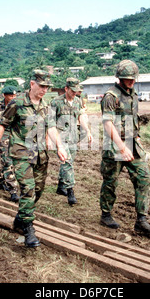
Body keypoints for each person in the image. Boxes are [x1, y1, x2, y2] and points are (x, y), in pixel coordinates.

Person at [0, 70, 68, 248]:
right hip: (21, 153)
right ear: (32, 84)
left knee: (38, 190)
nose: (44, 90)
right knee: (28, 189)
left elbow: (52, 128)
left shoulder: (46, 106)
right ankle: (28, 228)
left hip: (40, 154)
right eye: (41, 86)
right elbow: (1, 126)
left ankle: (20, 217)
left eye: (46, 87)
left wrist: (60, 146)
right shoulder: (17, 103)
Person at [99, 59, 150, 238]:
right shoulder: (111, 96)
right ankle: (106, 214)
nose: (131, 81)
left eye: (133, 78)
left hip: (133, 144)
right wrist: (121, 147)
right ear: (119, 78)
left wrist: (138, 140)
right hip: (115, 145)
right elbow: (108, 124)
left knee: (144, 179)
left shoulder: (133, 94)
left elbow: (133, 119)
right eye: (127, 78)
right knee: (110, 182)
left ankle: (141, 220)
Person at [49, 77, 93, 205]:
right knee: (67, 162)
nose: (75, 93)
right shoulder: (55, 102)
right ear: (66, 88)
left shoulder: (78, 101)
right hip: (60, 137)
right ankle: (70, 190)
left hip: (73, 136)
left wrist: (88, 131)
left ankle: (60, 186)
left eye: (77, 91)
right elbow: (50, 123)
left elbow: (81, 117)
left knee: (68, 162)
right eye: (73, 90)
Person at [0, 86, 20, 203]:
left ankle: (2, 180)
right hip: (2, 137)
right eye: (10, 96)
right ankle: (13, 190)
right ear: (4, 95)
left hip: (16, 137)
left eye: (14, 95)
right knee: (7, 161)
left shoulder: (18, 106)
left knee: (13, 161)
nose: (13, 98)